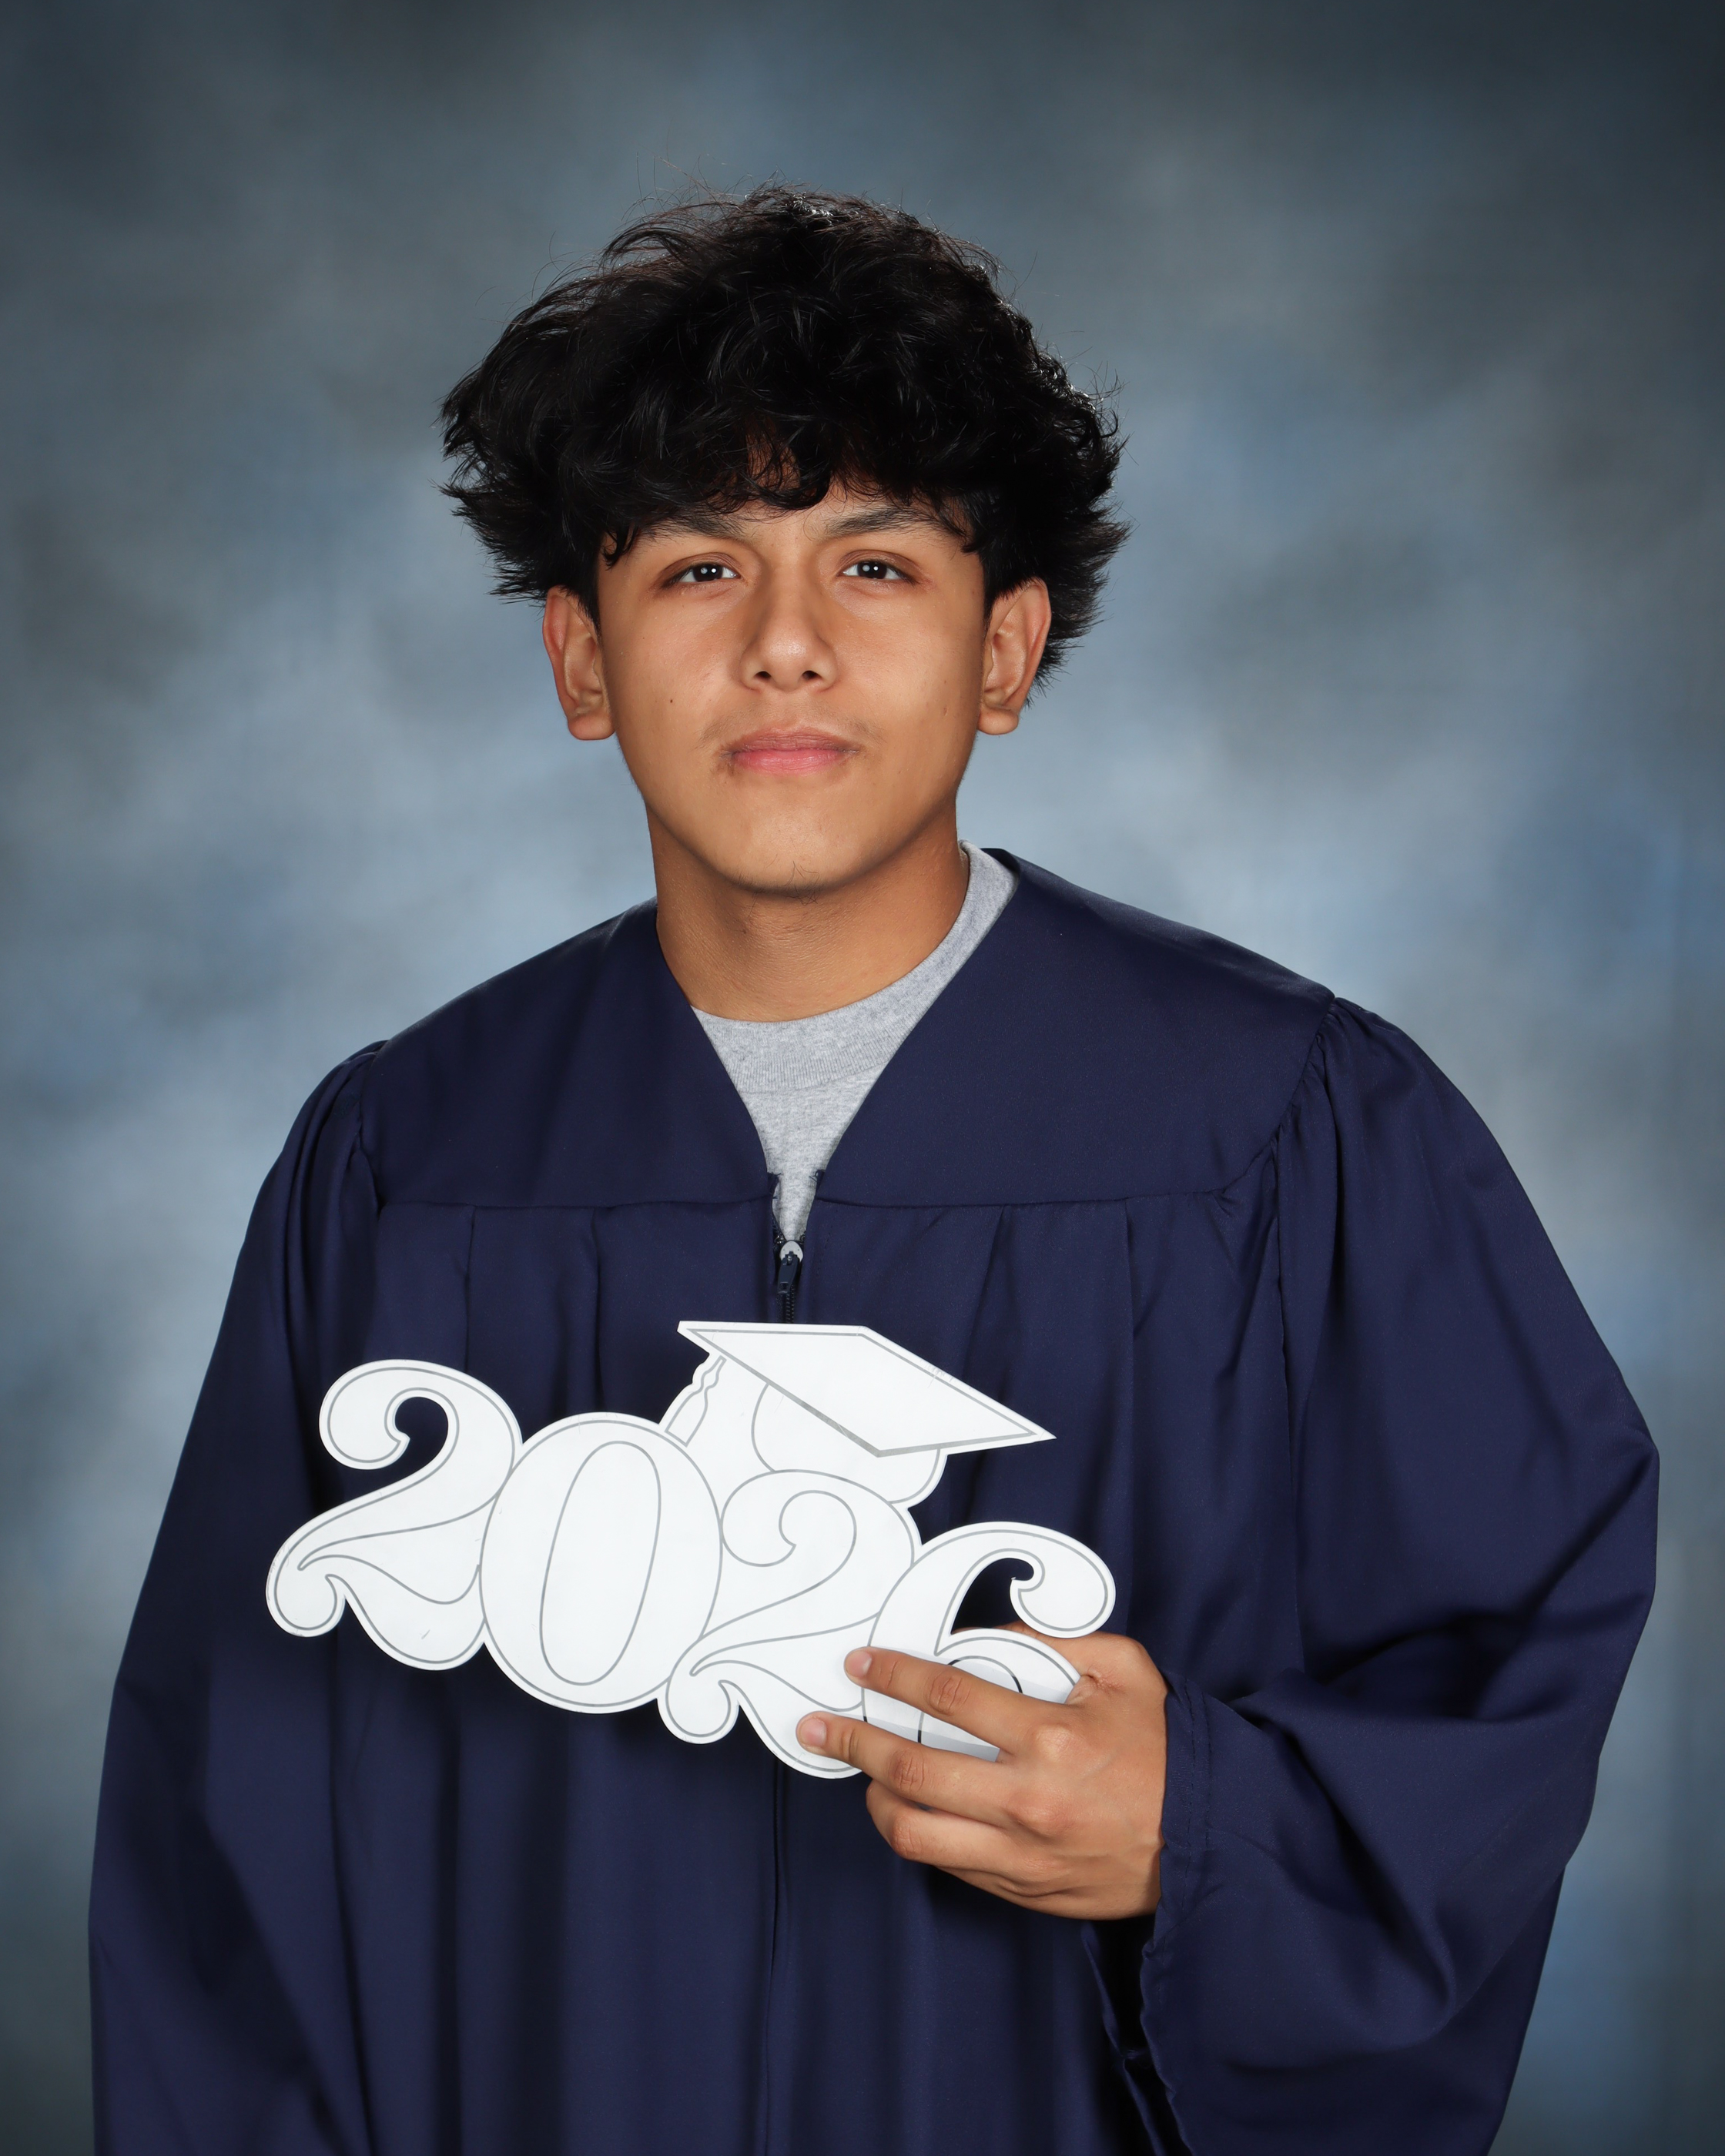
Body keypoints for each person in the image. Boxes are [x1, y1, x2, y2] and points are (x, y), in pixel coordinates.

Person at [89, 189, 1657, 2156]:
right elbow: (223, 1853)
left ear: (1006, 649)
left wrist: (1213, 1826)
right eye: (697, 567)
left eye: (877, 563)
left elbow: (1512, 1640)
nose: (786, 646)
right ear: (580, 657)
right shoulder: (407, 1162)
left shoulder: (1288, 1128)